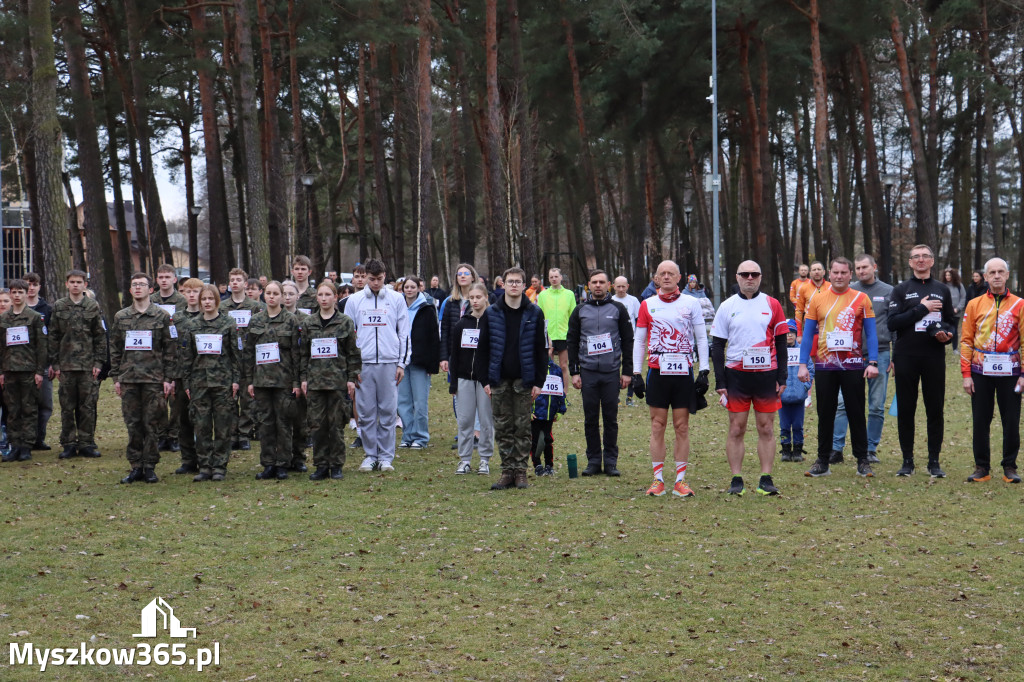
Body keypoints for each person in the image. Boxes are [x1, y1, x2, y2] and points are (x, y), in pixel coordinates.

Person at [632, 260, 710, 498]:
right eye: (662, 274)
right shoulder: (647, 304)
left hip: (683, 372)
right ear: (656, 278)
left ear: (679, 278)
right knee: (657, 426)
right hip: (657, 371)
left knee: (682, 426)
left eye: (671, 274)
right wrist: (637, 372)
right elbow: (640, 340)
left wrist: (704, 370)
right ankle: (658, 480)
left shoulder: (691, 303)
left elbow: (702, 337)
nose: (666, 277)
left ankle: (680, 480)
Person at [710, 261, 788, 495]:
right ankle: (736, 479)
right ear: (737, 277)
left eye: (755, 274)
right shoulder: (727, 306)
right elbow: (717, 345)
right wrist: (720, 381)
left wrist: (782, 377)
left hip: (766, 375)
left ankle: (765, 478)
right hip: (736, 376)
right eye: (745, 274)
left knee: (766, 428)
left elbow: (782, 342)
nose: (750, 278)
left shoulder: (773, 304)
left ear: (761, 277)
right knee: (736, 428)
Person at [799, 257, 880, 478]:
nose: (839, 276)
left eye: (844, 273)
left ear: (850, 274)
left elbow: (871, 333)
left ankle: (862, 460)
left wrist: (872, 362)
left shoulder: (862, 299)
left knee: (856, 412)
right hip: (825, 365)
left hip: (853, 365)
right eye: (835, 272)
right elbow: (807, 335)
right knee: (825, 412)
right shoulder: (817, 300)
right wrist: (801, 364)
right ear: (829, 273)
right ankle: (822, 461)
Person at [887, 244, 956, 477]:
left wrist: (947, 335)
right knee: (906, 409)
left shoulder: (942, 289)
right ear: (909, 262)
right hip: (906, 356)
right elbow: (893, 323)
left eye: (925, 256)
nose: (920, 260)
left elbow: (950, 321)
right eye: (916, 257)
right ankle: (907, 461)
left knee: (934, 409)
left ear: (932, 261)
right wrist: (922, 308)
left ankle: (934, 462)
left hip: (933, 357)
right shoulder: (900, 290)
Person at [480, 266, 548, 490]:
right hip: (498, 379)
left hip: (524, 378)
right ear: (504, 284)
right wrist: (485, 380)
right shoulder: (491, 313)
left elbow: (541, 349)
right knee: (502, 426)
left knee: (522, 427)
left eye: (518, 282)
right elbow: (483, 349)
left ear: (524, 285)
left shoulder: (534, 313)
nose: (514, 285)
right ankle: (506, 471)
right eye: (510, 281)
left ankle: (521, 471)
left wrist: (539, 381)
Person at [960, 258, 1024, 484]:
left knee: (1011, 420)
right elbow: (966, 341)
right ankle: (981, 467)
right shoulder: (974, 304)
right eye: (992, 273)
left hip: (1011, 373)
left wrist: (1023, 374)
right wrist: (966, 375)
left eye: (1000, 272)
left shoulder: (1020, 304)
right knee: (980, 420)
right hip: (980, 371)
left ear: (1007, 275)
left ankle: (1010, 466)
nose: (996, 276)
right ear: (985, 277)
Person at [109, 272, 176, 483]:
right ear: (130, 290)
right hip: (129, 379)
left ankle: (150, 466)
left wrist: (168, 378)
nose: (138, 288)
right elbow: (115, 349)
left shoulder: (162, 317)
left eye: (142, 284)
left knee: (152, 423)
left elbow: (171, 350)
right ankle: (136, 465)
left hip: (154, 380)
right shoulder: (121, 317)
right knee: (133, 424)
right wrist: (116, 378)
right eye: (134, 285)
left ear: (151, 290)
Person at [566, 269, 633, 477]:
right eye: (594, 282)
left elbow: (628, 341)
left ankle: (611, 461)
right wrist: (574, 372)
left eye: (601, 282)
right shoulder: (579, 310)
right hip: (588, 373)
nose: (597, 285)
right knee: (591, 418)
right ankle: (594, 460)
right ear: (588, 285)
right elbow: (572, 341)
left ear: (608, 285)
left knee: (611, 418)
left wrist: (627, 371)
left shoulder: (618, 309)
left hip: (611, 372)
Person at [346, 258, 410, 473]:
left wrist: (401, 363)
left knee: (388, 410)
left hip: (389, 362)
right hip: (364, 364)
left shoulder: (397, 299)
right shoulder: (354, 301)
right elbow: (348, 336)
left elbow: (404, 333)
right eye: (371, 279)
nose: (375, 283)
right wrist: (352, 366)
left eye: (379, 279)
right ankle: (370, 454)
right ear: (365, 277)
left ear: (385, 277)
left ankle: (385, 456)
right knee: (365, 412)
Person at [830, 254, 893, 465]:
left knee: (876, 405)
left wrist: (895, 355)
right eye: (857, 268)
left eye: (865, 267)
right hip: (850, 355)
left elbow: (893, 325)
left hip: (881, 354)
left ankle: (870, 448)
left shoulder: (888, 292)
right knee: (842, 404)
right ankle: (836, 448)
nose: (861, 271)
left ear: (874, 267)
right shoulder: (850, 291)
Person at [300, 281, 360, 480]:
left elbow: (352, 353)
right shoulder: (309, 323)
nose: (324, 298)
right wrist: (303, 378)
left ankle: (336, 464)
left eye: (328, 295)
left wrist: (351, 378)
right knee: (317, 425)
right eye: (321, 295)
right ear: (316, 297)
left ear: (335, 297)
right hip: (315, 382)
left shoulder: (345, 322)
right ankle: (321, 464)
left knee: (335, 425)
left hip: (337, 381)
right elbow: (303, 354)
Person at [180, 284, 240, 482]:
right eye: (203, 299)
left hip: (223, 383)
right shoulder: (192, 325)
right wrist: (187, 383)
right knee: (201, 425)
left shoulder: (228, 324)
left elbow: (235, 355)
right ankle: (205, 465)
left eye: (210, 299)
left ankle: (219, 466)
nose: (207, 302)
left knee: (223, 426)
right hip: (199, 383)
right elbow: (187, 356)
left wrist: (235, 381)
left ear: (217, 301)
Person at [243, 281, 302, 480]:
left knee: (283, 423)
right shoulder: (255, 321)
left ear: (281, 296)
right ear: (263, 296)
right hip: (261, 382)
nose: (272, 297)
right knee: (265, 423)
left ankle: (283, 463)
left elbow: (296, 353)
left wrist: (296, 382)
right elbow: (249, 352)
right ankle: (268, 463)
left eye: (276, 293)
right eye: (268, 293)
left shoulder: (291, 320)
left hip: (283, 381)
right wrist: (249, 380)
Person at [48, 269, 106, 461]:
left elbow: (99, 336)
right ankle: (69, 444)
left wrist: (99, 362)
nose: (75, 285)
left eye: (79, 282)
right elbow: (54, 335)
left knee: (87, 407)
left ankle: (86, 443)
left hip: (88, 366)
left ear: (85, 285)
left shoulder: (92, 306)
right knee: (67, 407)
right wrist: (55, 364)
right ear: (67, 284)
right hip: (66, 366)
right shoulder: (59, 306)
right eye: (72, 282)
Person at [449, 283, 494, 475]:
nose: (475, 301)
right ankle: (465, 459)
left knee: (486, 420)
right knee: (465, 420)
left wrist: (493, 379)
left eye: (478, 297)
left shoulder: (492, 322)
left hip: (486, 381)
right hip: (464, 379)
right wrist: (454, 383)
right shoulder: (462, 324)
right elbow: (455, 355)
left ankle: (484, 459)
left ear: (485, 298)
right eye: (471, 298)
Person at [0, 279, 46, 463]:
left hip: (28, 370)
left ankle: (26, 446)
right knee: (13, 410)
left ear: (27, 294)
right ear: (10, 294)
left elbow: (41, 346)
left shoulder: (35, 317)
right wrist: (1, 371)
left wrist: (39, 371)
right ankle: (15, 445)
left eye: (20, 292)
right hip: (9, 370)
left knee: (29, 408)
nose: (17, 296)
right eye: (14, 292)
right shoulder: (3, 319)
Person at [221, 268, 262, 450]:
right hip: (229, 358)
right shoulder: (222, 307)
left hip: (247, 358)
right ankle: (232, 434)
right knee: (229, 398)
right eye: (232, 280)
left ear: (245, 284)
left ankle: (244, 433)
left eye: (238, 280)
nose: (235, 283)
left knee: (247, 399)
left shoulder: (254, 307)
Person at [397, 276, 440, 449]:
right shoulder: (398, 307)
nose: (409, 289)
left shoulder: (427, 308)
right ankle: (408, 436)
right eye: (406, 287)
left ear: (419, 288)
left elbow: (433, 338)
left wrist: (432, 364)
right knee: (403, 402)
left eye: (412, 287)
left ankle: (421, 437)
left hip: (421, 362)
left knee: (420, 402)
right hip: (401, 362)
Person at [171, 278, 204, 474]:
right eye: (187, 291)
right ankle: (188, 460)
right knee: (183, 419)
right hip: (180, 375)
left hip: (202, 375)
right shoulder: (176, 319)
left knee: (202, 420)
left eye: (195, 291)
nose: (191, 295)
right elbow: (170, 347)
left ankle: (204, 457)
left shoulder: (209, 316)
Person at [281, 280, 310, 472]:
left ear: (298, 296)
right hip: (279, 374)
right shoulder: (274, 317)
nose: (287, 297)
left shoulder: (306, 320)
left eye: (292, 293)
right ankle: (281, 457)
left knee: (300, 419)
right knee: (281, 420)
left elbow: (306, 351)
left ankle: (299, 457)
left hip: (299, 374)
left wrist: (302, 378)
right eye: (284, 293)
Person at [24, 272, 53, 451]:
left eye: (34, 284)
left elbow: (53, 337)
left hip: (43, 364)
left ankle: (39, 438)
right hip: (21, 364)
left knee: (45, 404)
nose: (31, 288)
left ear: (39, 287)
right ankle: (23, 440)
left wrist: (51, 363)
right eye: (27, 284)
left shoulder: (47, 309)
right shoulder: (15, 309)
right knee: (25, 404)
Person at [779, 319, 812, 462]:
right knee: (784, 425)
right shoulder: (779, 352)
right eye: (786, 333)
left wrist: (805, 387)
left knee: (798, 425)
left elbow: (810, 369)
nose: (789, 336)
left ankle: (798, 451)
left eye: (792, 333)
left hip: (799, 396)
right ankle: (785, 450)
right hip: (783, 397)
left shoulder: (802, 352)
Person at [537, 268, 577, 382]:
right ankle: (549, 395)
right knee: (548, 366)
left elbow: (573, 316)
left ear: (561, 277)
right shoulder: (543, 295)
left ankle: (564, 394)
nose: (554, 279)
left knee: (564, 366)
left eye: (556, 276)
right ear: (548, 279)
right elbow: (540, 315)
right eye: (551, 277)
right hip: (548, 335)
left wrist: (572, 333)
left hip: (563, 335)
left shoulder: (569, 294)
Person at [530, 358, 566, 476]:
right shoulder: (531, 367)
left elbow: (561, 391)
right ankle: (537, 465)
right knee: (535, 440)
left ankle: (549, 465)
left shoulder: (556, 370)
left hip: (550, 413)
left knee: (547, 440)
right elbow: (525, 391)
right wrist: (528, 410)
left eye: (548, 348)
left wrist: (561, 409)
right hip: (535, 414)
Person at [612, 276, 642, 406]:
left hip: (630, 340)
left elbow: (639, 320)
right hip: (613, 340)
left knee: (631, 367)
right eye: (618, 286)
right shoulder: (610, 300)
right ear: (613, 286)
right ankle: (615, 396)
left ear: (628, 286)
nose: (621, 289)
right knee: (614, 366)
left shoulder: (633, 301)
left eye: (623, 286)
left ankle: (629, 397)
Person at [794, 261, 827, 336]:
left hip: (828, 326)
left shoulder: (831, 287)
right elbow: (799, 311)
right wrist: (799, 334)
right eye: (814, 270)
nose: (816, 272)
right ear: (810, 273)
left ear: (824, 272)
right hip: (810, 327)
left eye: (819, 269)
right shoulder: (803, 289)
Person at [943, 267, 967, 348]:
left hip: (956, 312)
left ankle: (955, 347)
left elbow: (963, 297)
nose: (947, 277)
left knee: (954, 330)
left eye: (949, 275)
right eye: (946, 275)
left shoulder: (959, 286)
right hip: (945, 312)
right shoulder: (943, 286)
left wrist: (958, 308)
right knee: (944, 328)